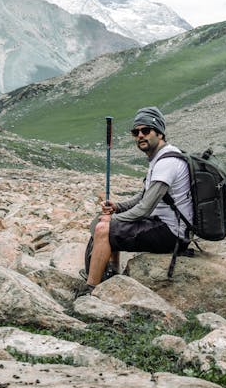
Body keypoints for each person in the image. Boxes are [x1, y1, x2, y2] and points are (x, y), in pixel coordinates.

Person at [79, 106, 193, 294]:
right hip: (163, 226)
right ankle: (111, 273)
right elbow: (143, 196)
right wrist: (117, 207)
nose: (140, 135)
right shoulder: (160, 158)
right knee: (108, 222)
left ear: (160, 133)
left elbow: (144, 209)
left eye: (146, 130)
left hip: (172, 233)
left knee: (103, 228)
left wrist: (111, 220)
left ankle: (90, 290)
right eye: (136, 132)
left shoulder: (167, 163)